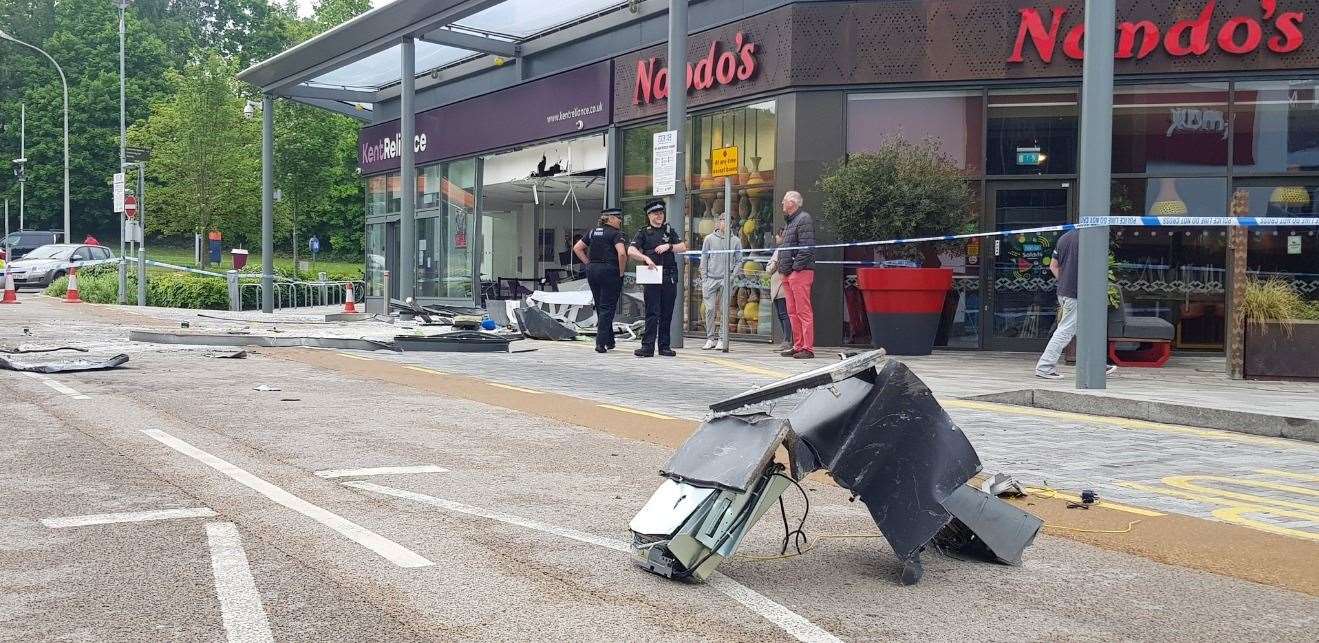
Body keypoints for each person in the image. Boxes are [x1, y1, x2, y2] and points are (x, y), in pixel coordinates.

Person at [1034, 229, 1118, 379]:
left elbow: (1053, 266)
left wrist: (1065, 281)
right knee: (1065, 331)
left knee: (1086, 331)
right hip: (1078, 294)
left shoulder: (1064, 238)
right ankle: (1045, 367)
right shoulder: (1092, 240)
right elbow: (1096, 268)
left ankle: (1096, 365)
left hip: (1065, 291)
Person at [628, 200, 687, 357]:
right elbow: (631, 250)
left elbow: (683, 246)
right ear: (649, 216)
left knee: (667, 312)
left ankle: (664, 346)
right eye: (656, 214)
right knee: (652, 312)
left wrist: (669, 246)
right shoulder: (643, 232)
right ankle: (647, 347)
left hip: (669, 275)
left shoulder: (669, 230)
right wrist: (645, 258)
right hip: (652, 275)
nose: (659, 216)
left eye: (661, 213)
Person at [574, 208, 628, 353]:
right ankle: (600, 342)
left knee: (600, 306)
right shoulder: (616, 234)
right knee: (608, 307)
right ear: (610, 219)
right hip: (610, 271)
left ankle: (609, 340)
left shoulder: (592, 232)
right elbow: (622, 254)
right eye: (617, 217)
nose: (620, 220)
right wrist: (621, 272)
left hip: (593, 271)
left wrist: (588, 263)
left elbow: (577, 248)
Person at [778, 191, 815, 359]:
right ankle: (798, 345)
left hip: (799, 273)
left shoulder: (803, 219)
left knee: (803, 311)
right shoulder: (791, 221)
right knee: (792, 311)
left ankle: (807, 347)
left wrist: (795, 269)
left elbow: (807, 247)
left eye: (784, 201)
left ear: (792, 203)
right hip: (788, 273)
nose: (782, 204)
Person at [700, 216, 743, 350]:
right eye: (721, 220)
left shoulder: (735, 240)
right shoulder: (709, 239)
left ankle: (722, 338)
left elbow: (739, 260)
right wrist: (704, 278)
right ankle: (710, 338)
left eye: (726, 220)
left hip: (726, 279)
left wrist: (731, 276)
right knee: (710, 309)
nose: (723, 223)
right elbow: (704, 258)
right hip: (711, 279)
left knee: (724, 310)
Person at [765, 228, 793, 353]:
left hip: (781, 286)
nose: (776, 237)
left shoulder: (781, 250)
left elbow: (770, 267)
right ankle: (785, 340)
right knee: (781, 314)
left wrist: (771, 266)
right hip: (777, 286)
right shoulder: (781, 250)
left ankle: (787, 340)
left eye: (777, 235)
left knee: (784, 314)